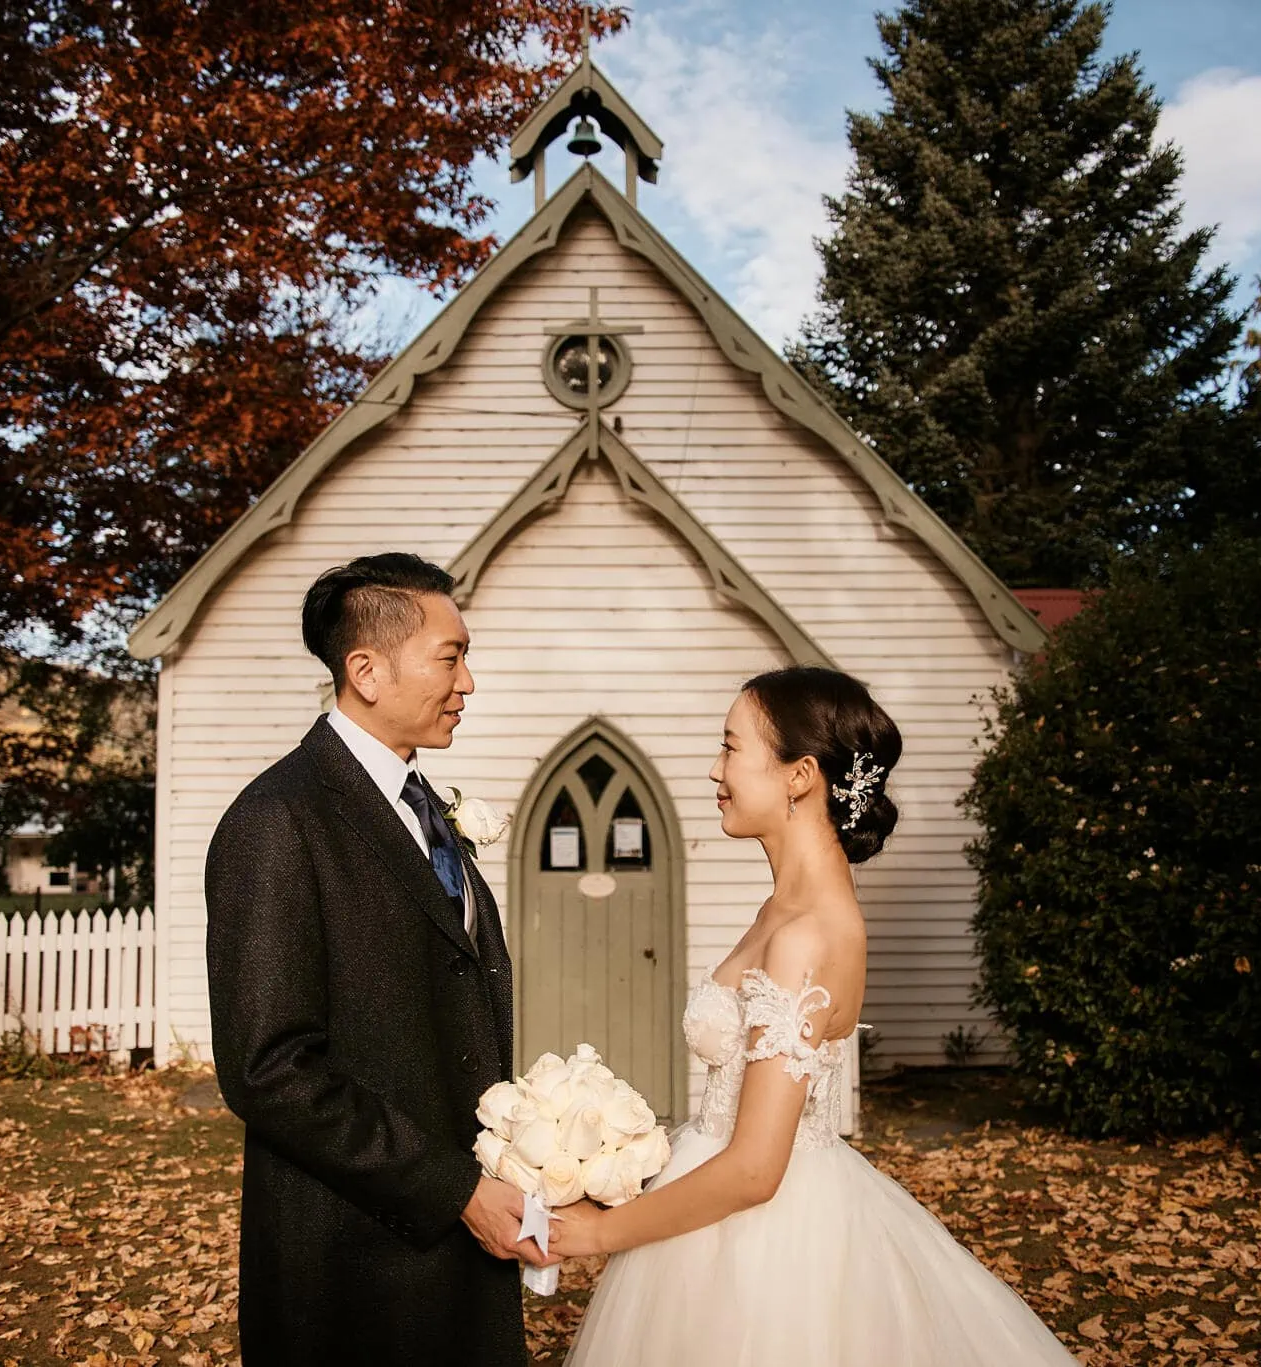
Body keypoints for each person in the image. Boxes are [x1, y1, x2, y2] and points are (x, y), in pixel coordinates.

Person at [551, 665, 1085, 1366]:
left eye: (731, 747)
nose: (715, 769)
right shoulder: (786, 907)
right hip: (714, 1208)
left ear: (800, 774)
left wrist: (602, 1233)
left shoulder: (809, 931)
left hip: (769, 1243)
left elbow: (754, 1169)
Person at [203, 552, 554, 1366]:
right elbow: (270, 1068)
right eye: (451, 656)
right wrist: (455, 1189)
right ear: (365, 669)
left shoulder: (424, 806)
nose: (467, 682)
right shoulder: (277, 821)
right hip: (350, 1256)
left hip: (453, 1249)